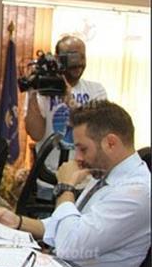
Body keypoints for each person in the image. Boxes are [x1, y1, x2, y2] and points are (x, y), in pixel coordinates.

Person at [0, 101, 150, 267]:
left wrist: (66, 187)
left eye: (83, 149)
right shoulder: (103, 173)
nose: (78, 158)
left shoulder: (136, 193)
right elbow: (67, 225)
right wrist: (18, 222)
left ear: (111, 143)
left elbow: (70, 245)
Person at [24, 35, 108, 198]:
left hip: (85, 183)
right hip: (49, 181)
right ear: (58, 59)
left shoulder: (96, 90)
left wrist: (69, 99)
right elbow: (35, 134)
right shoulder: (43, 92)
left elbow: (96, 130)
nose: (78, 62)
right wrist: (32, 93)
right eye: (72, 56)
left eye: (82, 56)